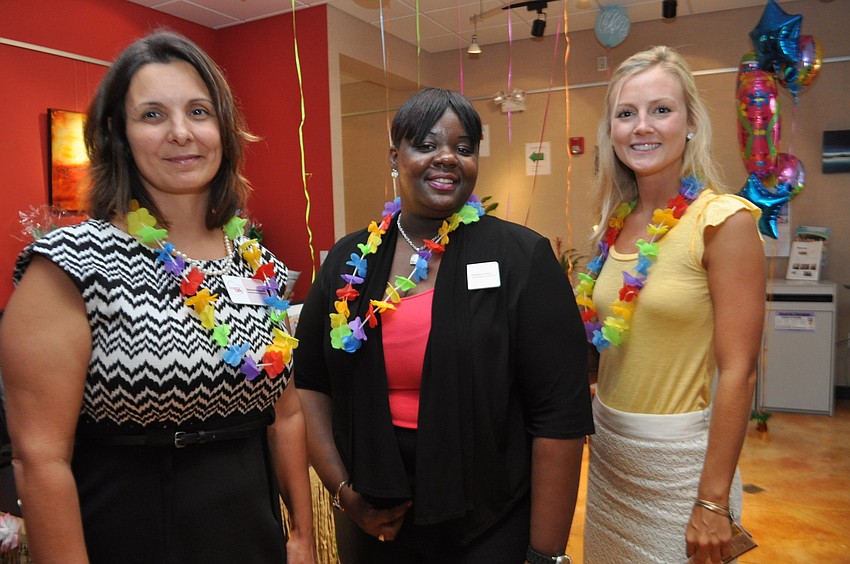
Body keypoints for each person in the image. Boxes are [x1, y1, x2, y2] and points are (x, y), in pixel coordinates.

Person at [0, 30, 316, 563]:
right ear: (117, 134)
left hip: (251, 535)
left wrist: (302, 538)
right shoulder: (71, 265)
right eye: (152, 115)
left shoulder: (253, 258)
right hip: (133, 534)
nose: (181, 132)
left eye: (198, 111)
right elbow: (40, 460)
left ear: (223, 129)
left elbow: (284, 414)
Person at [293, 87, 593, 563]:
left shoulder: (522, 258)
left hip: (489, 522)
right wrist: (344, 491)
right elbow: (310, 383)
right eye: (427, 144)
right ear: (395, 157)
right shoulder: (350, 261)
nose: (448, 157)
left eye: (464, 147)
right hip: (375, 520)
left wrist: (545, 555)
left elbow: (559, 416)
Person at [578, 46, 765, 563]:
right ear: (611, 131)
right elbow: (617, 341)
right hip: (611, 460)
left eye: (661, 109)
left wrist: (712, 502)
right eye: (626, 113)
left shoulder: (723, 221)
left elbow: (740, 371)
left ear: (690, 123)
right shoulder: (615, 224)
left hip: (682, 471)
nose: (642, 126)